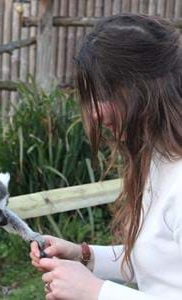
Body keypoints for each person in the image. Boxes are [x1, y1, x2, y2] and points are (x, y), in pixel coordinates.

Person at [30, 13, 182, 300]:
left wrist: (95, 292)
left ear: (144, 89)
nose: (95, 115)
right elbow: (161, 263)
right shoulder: (160, 160)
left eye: (103, 95)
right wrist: (84, 256)